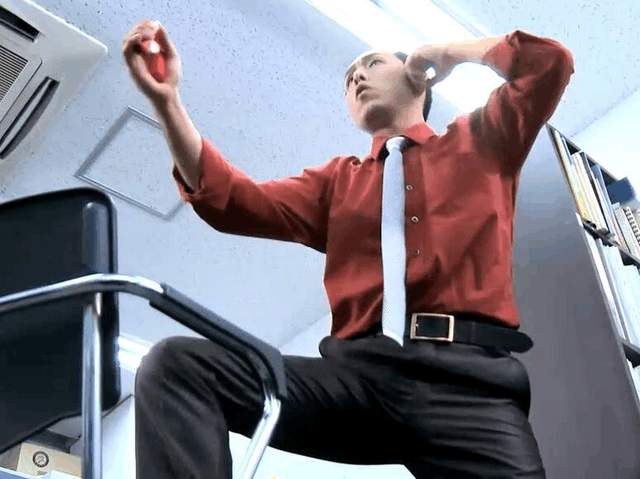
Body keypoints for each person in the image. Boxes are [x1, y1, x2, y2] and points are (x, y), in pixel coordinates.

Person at [123, 17, 574, 478]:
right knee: (177, 366)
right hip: (358, 380)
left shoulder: (483, 140)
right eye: (348, 78)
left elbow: (550, 63)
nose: (356, 76)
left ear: (417, 79)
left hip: (469, 387)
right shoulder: (337, 182)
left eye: (372, 64)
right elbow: (232, 202)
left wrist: (448, 52)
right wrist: (167, 101)